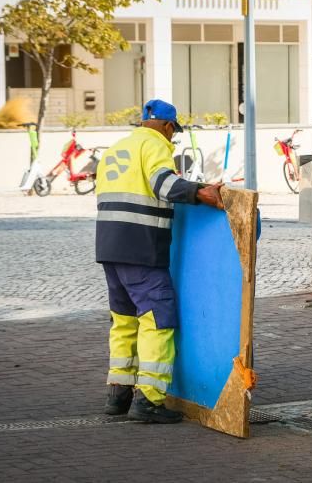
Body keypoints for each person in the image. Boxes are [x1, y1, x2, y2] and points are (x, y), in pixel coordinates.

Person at [96, 99, 224, 423]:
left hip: (110, 248)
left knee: (124, 321)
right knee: (157, 319)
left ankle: (118, 395)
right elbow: (163, 185)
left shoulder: (116, 149)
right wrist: (200, 192)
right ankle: (149, 401)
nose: (172, 139)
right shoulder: (155, 145)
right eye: (173, 133)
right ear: (168, 127)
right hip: (142, 248)